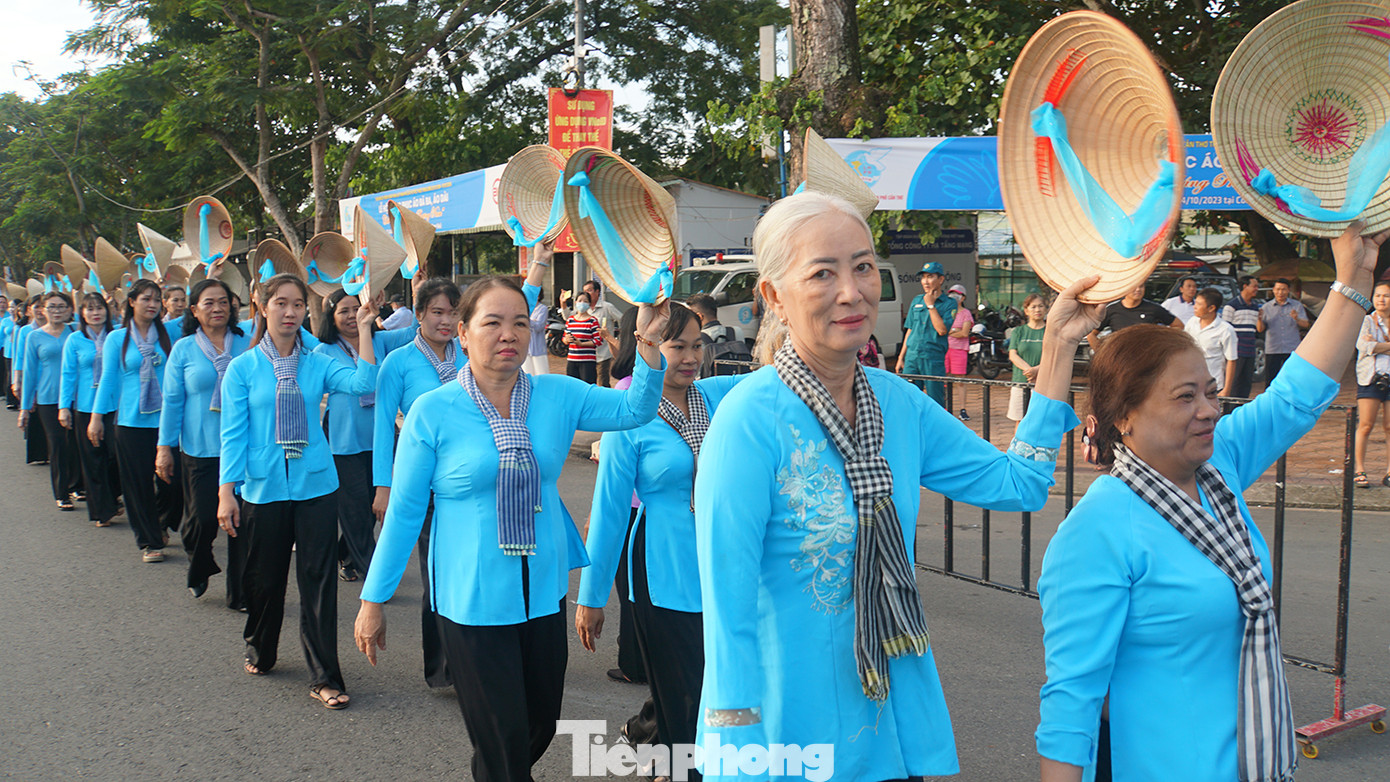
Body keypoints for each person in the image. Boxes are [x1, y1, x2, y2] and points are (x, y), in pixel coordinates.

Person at [695, 191, 1099, 782]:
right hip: (788, 727)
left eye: (862, 266)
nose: (851, 291)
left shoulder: (897, 404)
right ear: (774, 295)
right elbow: (725, 604)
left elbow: (1021, 483)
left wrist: (1061, 344)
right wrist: (739, 745)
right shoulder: (748, 420)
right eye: (823, 273)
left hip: (893, 706)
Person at [1035, 222, 1387, 782]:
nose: (1209, 410)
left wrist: (1353, 279)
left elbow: (1297, 391)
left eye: (1210, 391)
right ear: (1125, 418)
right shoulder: (1097, 529)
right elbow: (1070, 701)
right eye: (1184, 397)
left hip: (1255, 764)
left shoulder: (1217, 467)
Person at [353, 269, 667, 782]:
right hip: (470, 599)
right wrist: (373, 602)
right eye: (493, 322)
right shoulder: (433, 412)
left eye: (520, 323)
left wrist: (648, 343)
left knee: (539, 723)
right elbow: (407, 512)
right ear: (463, 332)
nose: (509, 334)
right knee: (502, 739)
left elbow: (638, 407)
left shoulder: (557, 395)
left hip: (542, 592)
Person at [577, 302, 745, 780]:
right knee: (682, 690)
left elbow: (776, 379)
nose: (691, 357)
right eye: (678, 347)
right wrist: (591, 598)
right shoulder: (629, 419)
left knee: (719, 680)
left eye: (698, 345)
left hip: (721, 562)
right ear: (649, 347)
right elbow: (609, 512)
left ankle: (674, 756)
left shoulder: (713, 398)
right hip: (660, 567)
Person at [216, 273, 379, 710]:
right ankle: (261, 645)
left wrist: (364, 327)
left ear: (307, 312)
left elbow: (364, 384)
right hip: (263, 487)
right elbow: (232, 433)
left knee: (318, 583)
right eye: (281, 304)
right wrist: (226, 491)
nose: (290, 312)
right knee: (265, 581)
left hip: (316, 486)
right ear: (262, 307)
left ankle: (325, 675)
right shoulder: (244, 368)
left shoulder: (319, 361)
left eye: (297, 305)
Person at [371, 276, 467, 690]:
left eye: (452, 313)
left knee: (466, 571)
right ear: (420, 314)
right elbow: (381, 428)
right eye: (437, 312)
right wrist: (383, 485)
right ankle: (444, 666)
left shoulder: (469, 357)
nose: (445, 321)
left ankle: (471, 656)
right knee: (436, 574)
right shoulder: (400, 362)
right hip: (423, 484)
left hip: (468, 481)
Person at [157, 279, 252, 603]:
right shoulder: (183, 349)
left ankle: (239, 592)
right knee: (201, 520)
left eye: (223, 302)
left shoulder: (247, 343)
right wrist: (164, 448)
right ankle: (199, 563)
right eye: (209, 303)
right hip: (200, 449)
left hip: (243, 447)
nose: (217, 308)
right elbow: (172, 400)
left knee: (241, 520)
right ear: (194, 310)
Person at [313, 288, 415, 582]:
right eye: (343, 310)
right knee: (355, 507)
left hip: (381, 437)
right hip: (344, 440)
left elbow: (417, 331)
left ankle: (345, 553)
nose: (350, 315)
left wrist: (418, 288)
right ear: (331, 317)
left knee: (373, 506)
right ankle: (375, 574)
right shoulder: (323, 351)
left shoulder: (380, 341)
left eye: (355, 308)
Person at [92, 279, 180, 563]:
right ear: (132, 302)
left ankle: (161, 520)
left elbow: (197, 309)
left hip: (167, 420)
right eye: (146, 299)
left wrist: (211, 273)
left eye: (157, 300)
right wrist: (96, 418)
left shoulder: (172, 332)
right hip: (130, 423)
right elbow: (107, 380)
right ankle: (149, 540)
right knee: (137, 484)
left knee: (174, 482)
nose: (152, 304)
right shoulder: (118, 339)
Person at [59, 292, 121, 528]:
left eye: (100, 308)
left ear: (107, 311)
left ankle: (113, 495)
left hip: (114, 405)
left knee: (115, 455)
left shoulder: (116, 335)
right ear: (82, 313)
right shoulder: (75, 339)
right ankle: (101, 510)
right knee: (93, 458)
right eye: (90, 309)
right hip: (85, 406)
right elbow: (68, 375)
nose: (96, 313)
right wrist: (64, 407)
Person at [21, 291, 79, 510]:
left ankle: (77, 485)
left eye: (61, 306)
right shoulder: (34, 336)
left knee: (75, 443)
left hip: (75, 397)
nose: (56, 311)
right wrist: (25, 407)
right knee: (57, 445)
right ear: (43, 310)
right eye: (52, 307)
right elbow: (30, 372)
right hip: (47, 399)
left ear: (70, 310)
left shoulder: (75, 332)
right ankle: (61, 492)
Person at [895, 261, 957, 407]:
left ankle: (936, 430)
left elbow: (942, 330)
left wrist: (931, 306)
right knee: (908, 399)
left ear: (940, 279)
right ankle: (913, 429)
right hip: (912, 356)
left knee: (935, 401)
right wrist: (901, 357)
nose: (925, 281)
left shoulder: (949, 303)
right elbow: (910, 329)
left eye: (930, 277)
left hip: (932, 358)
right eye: (923, 277)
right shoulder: (917, 300)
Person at [1353, 281, 1390, 489]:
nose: (1381, 300)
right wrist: (1376, 347)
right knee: (1365, 425)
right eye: (1378, 296)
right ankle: (1359, 469)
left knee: (1389, 427)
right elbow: (1363, 346)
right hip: (1371, 378)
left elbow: (1372, 347)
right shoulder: (1366, 321)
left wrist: (1377, 346)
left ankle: (1389, 471)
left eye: (1386, 296)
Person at [1084, 283, 1182, 354]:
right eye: (1134, 287)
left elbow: (1178, 325)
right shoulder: (1111, 310)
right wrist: (1102, 354)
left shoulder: (1153, 309)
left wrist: (1161, 344)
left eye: (1141, 286)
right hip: (1120, 359)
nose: (1138, 289)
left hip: (1147, 358)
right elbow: (1091, 333)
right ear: (1125, 289)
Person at [14, 297, 50, 466]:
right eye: (37, 307)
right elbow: (19, 357)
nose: (40, 310)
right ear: (29, 310)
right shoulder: (26, 331)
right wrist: (17, 380)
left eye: (43, 306)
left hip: (50, 379)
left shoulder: (57, 330)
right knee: (35, 414)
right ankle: (39, 452)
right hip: (33, 377)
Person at [1184, 287, 1238, 396]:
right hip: (1190, 382)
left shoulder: (1225, 330)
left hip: (1212, 385)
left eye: (1199, 304)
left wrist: (1226, 389)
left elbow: (1231, 361)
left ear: (1211, 308)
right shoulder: (1192, 322)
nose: (1195, 307)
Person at [1258, 277, 1309, 383]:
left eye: (1283, 289)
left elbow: (1306, 324)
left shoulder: (1296, 306)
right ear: (1273, 290)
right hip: (1273, 348)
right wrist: (1259, 319)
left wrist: (1296, 319)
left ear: (1288, 290)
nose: (1280, 292)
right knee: (1271, 379)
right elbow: (1260, 329)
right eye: (1278, 289)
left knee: (1292, 378)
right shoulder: (1266, 307)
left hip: (1291, 348)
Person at [1008, 293, 1048, 422]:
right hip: (1020, 381)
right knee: (1021, 421)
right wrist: (1029, 370)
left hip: (1043, 383)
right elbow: (1013, 354)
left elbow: (1054, 357)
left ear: (1046, 309)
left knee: (1040, 422)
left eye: (1041, 306)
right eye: (1033, 307)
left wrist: (1038, 370)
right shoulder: (1018, 331)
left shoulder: (1050, 332)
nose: (1037, 310)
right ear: (1026, 311)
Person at [1220, 275, 1261, 398]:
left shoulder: (1255, 306)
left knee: (1246, 383)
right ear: (1245, 286)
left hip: (1250, 350)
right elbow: (1225, 330)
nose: (1256, 289)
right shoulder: (1231, 306)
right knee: (1234, 382)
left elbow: (1256, 329)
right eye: (1254, 286)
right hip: (1236, 351)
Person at [584, 279, 623, 387]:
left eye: (590, 290)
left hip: (603, 352)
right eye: (585, 291)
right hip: (587, 353)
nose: (587, 293)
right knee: (588, 383)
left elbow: (622, 319)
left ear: (597, 292)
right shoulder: (583, 308)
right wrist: (563, 305)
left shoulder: (607, 307)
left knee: (603, 382)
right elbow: (570, 318)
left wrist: (617, 339)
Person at [564, 290, 603, 384]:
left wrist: (581, 344)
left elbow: (598, 341)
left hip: (587, 361)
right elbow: (564, 338)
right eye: (580, 300)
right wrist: (567, 340)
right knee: (572, 387)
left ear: (589, 304)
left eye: (585, 301)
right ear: (575, 302)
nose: (582, 303)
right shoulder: (570, 320)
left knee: (587, 386)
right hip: (572, 360)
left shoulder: (592, 321)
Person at [945, 283, 974, 376]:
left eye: (957, 295)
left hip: (959, 349)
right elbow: (941, 330)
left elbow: (964, 333)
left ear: (962, 298)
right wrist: (955, 330)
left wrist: (949, 332)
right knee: (943, 377)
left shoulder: (966, 313)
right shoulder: (945, 312)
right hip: (944, 348)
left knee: (959, 379)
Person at [523, 287, 550, 376]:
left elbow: (539, 326)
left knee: (542, 374)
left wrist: (526, 319)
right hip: (526, 348)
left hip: (538, 349)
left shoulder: (542, 309)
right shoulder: (524, 309)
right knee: (527, 374)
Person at [0, 293, 17, 410]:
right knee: (8, 373)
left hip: (19, 351)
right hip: (8, 350)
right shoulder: (5, 321)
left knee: (14, 374)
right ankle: (9, 398)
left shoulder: (22, 321)